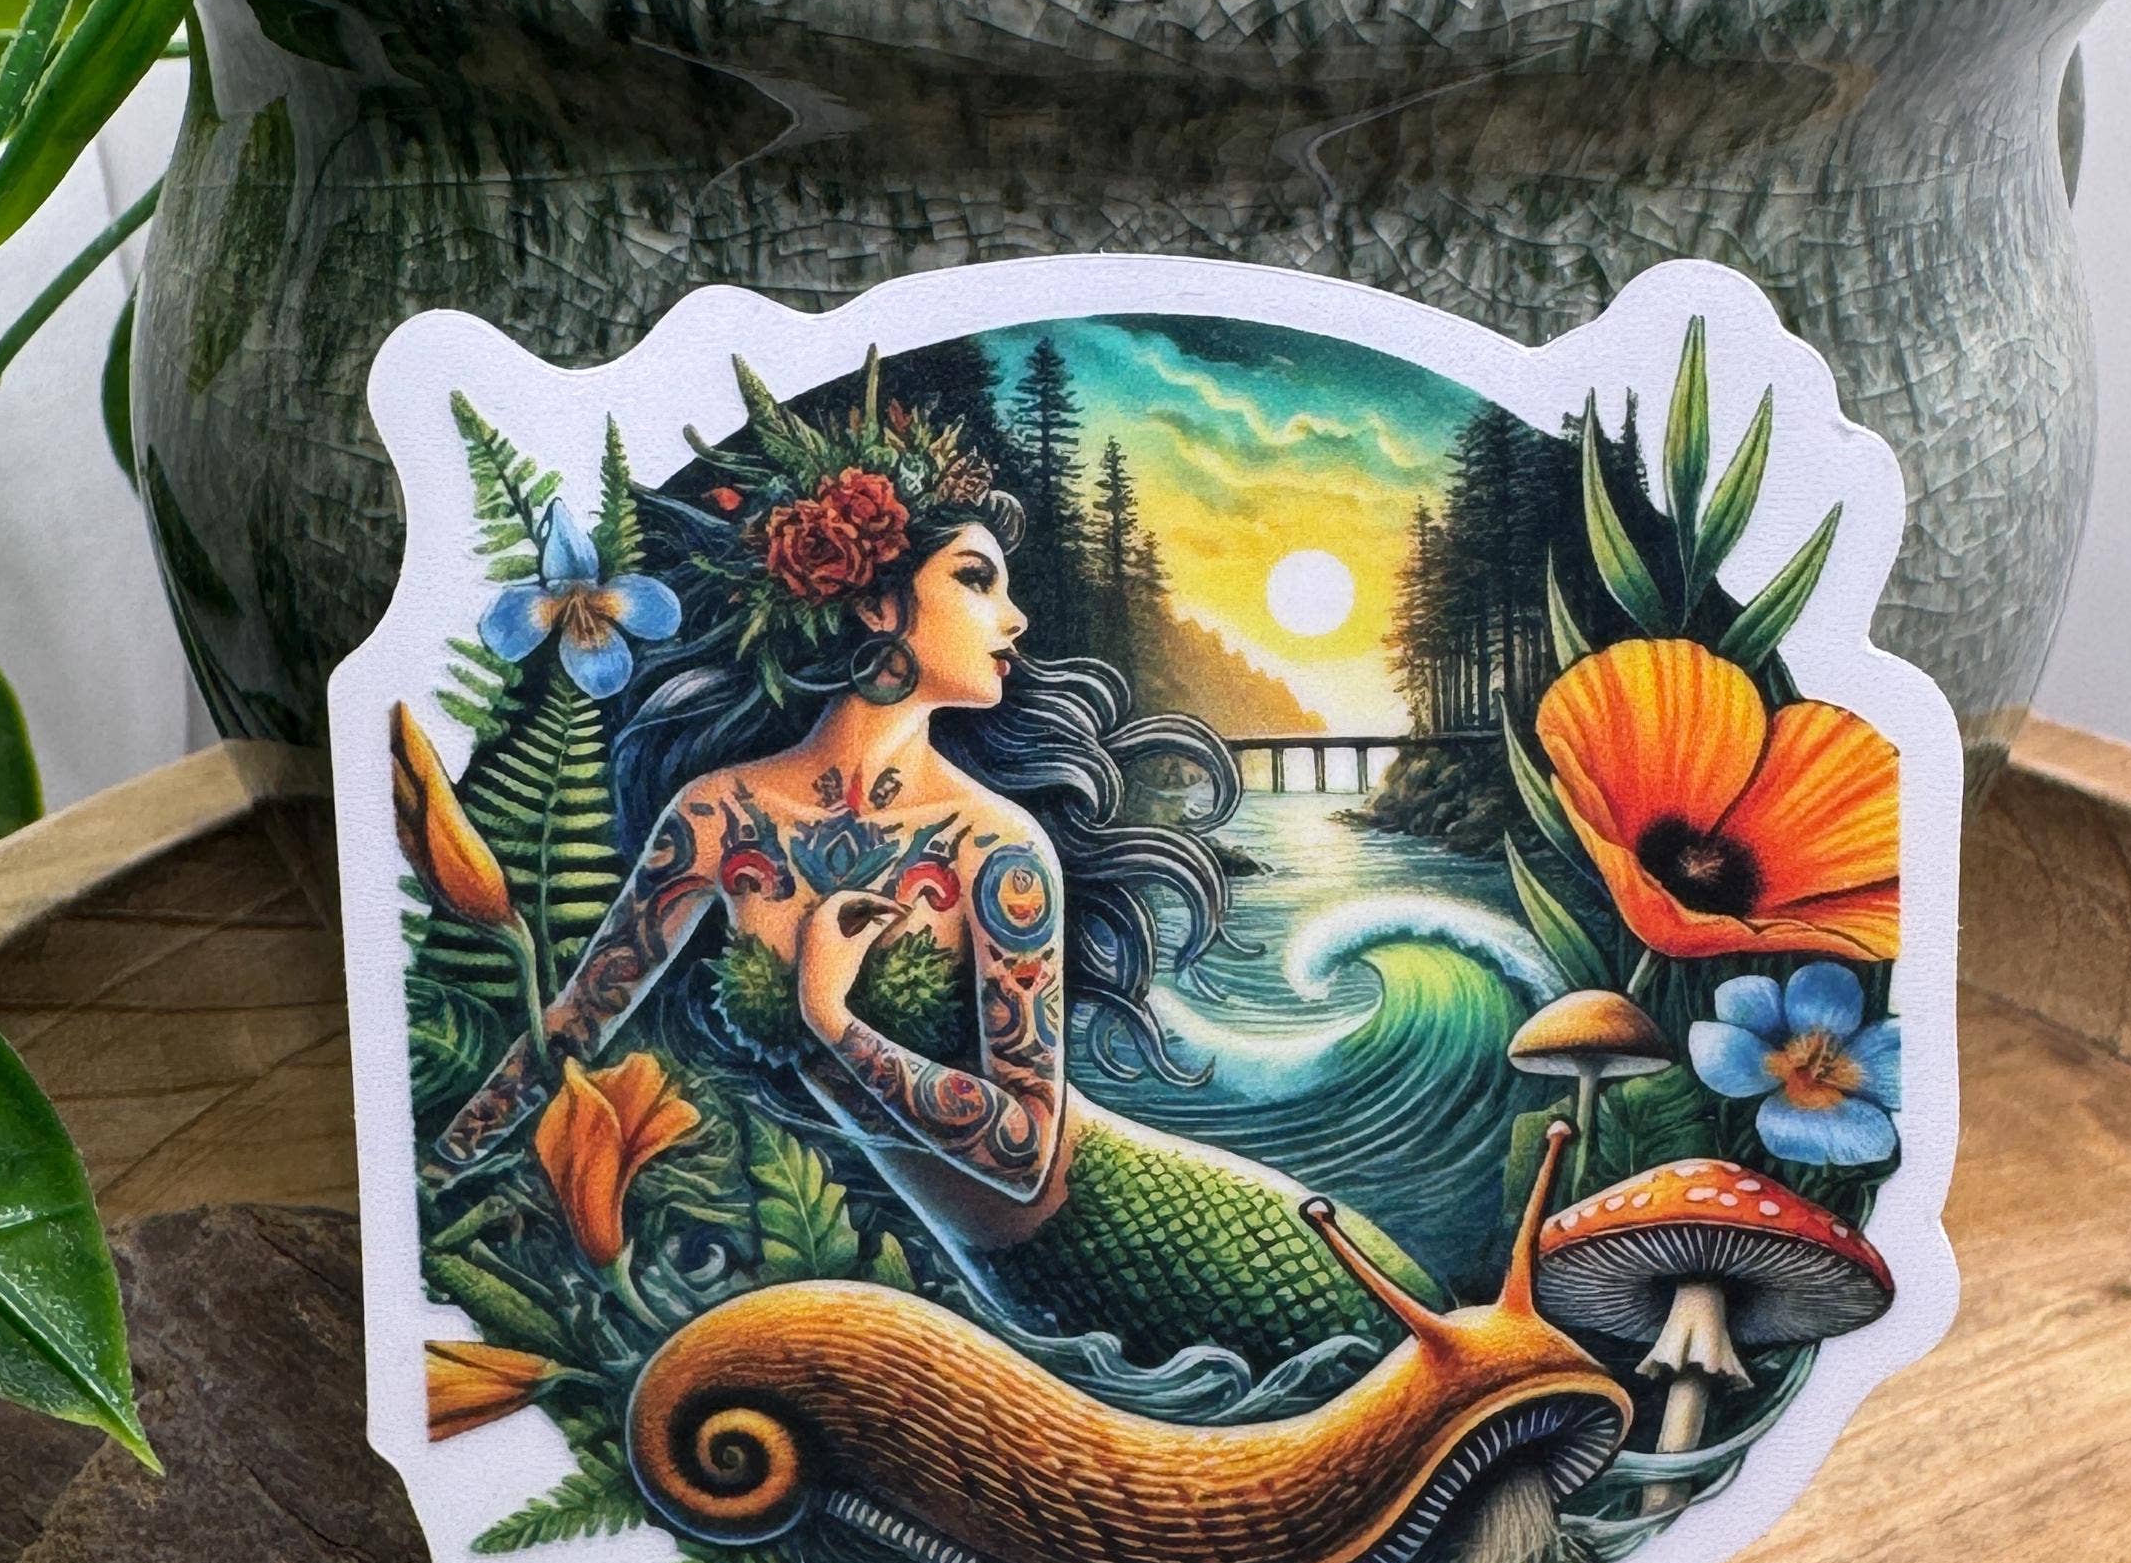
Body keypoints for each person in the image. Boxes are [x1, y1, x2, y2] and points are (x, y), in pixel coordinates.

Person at [431, 349, 1444, 1373]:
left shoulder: (995, 850)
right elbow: (573, 1024)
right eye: (975, 579)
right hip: (1012, 1282)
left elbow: (1024, 1153)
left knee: (1416, 1370)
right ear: (877, 608)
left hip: (1162, 1233)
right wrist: (437, 1172)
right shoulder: (716, 817)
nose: (1015, 616)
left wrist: (831, 1019)